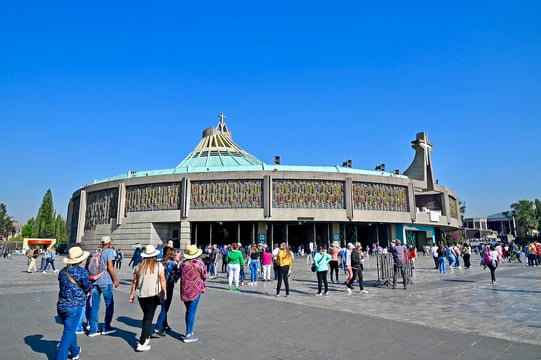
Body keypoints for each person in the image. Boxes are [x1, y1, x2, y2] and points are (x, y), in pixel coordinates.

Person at [56, 247, 92, 360]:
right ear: (80, 260)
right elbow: (87, 286)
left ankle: (75, 351)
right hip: (75, 306)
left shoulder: (62, 271)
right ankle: (60, 357)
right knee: (68, 333)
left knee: (69, 330)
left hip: (61, 305)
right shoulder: (82, 272)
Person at [129, 245, 166, 352]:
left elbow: (134, 282)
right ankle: (141, 342)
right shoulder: (159, 265)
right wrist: (165, 292)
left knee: (147, 315)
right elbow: (162, 280)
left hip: (141, 295)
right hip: (153, 295)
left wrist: (131, 294)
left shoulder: (138, 266)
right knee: (148, 318)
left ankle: (146, 336)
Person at [88, 236, 120, 337]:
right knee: (109, 305)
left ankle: (93, 329)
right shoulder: (109, 251)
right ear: (109, 243)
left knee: (95, 306)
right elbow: (110, 266)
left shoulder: (97, 251)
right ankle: (106, 327)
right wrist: (115, 279)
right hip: (105, 281)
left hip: (95, 281)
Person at [179, 244, 207, 343]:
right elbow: (205, 275)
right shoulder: (199, 263)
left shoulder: (183, 264)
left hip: (185, 290)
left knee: (188, 311)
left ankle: (188, 331)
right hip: (195, 290)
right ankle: (189, 333)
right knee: (191, 311)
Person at [154, 247, 180, 336]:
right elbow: (175, 278)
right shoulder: (173, 264)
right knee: (165, 308)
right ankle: (157, 327)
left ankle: (165, 324)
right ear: (172, 255)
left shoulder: (161, 263)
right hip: (168, 287)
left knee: (163, 307)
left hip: (160, 287)